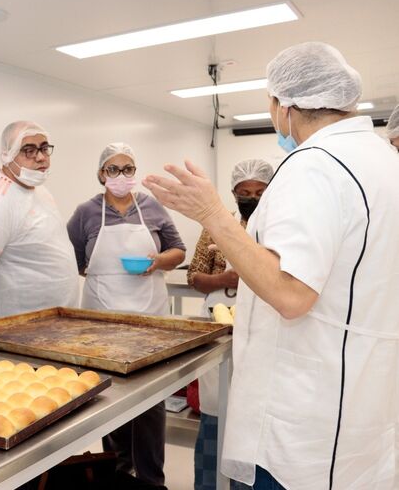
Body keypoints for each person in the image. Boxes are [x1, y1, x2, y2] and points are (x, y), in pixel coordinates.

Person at [143, 42, 399, 489]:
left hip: (308, 425)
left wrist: (212, 215)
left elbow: (291, 293)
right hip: (360, 405)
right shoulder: (383, 160)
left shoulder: (316, 166)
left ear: (284, 106)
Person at [67, 142, 186, 489]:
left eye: (128, 168)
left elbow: (178, 250)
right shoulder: (85, 212)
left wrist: (157, 262)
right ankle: (118, 473)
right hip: (102, 317)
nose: (121, 176)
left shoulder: (152, 206)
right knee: (111, 396)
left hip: (148, 316)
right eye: (113, 169)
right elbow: (73, 260)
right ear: (102, 174)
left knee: (151, 399)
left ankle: (151, 479)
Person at [186, 159, 273, 490]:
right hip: (219, 326)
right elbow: (194, 275)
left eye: (259, 191)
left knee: (254, 413)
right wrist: (226, 278)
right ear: (233, 193)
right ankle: (209, 482)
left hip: (264, 329)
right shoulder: (216, 226)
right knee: (216, 409)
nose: (251, 197)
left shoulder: (278, 226)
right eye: (244, 192)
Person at [0, 120, 79, 319]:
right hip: (20, 324)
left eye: (44, 148)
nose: (41, 157)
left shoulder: (38, 190)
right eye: (29, 150)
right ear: (7, 154)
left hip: (57, 321)